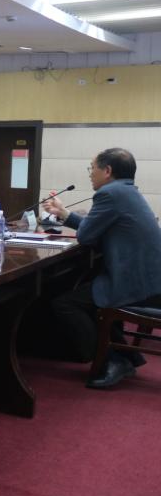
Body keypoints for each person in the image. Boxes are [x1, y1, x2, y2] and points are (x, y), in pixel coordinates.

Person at [44, 148, 161, 388]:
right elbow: (97, 227)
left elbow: (86, 236)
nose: (90, 173)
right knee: (88, 297)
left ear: (107, 171)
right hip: (149, 278)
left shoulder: (109, 193)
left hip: (135, 281)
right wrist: (64, 213)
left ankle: (110, 360)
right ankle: (127, 356)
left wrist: (71, 218)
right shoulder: (126, 191)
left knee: (66, 304)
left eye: (92, 168)